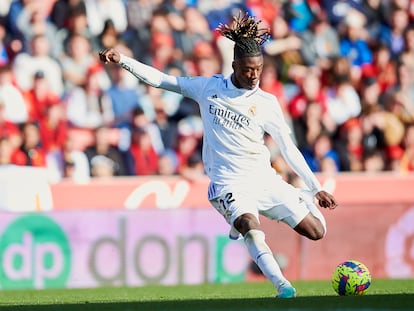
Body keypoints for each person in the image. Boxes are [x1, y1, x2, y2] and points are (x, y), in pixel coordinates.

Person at [99, 12, 338, 298]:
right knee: (250, 225)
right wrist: (123, 60)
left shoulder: (266, 103)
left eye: (259, 69)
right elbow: (162, 81)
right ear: (235, 65)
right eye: (248, 69)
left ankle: (297, 197)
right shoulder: (208, 88)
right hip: (229, 182)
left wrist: (315, 187)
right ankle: (283, 287)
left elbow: (288, 148)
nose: (254, 76)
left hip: (264, 179)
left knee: (316, 232)